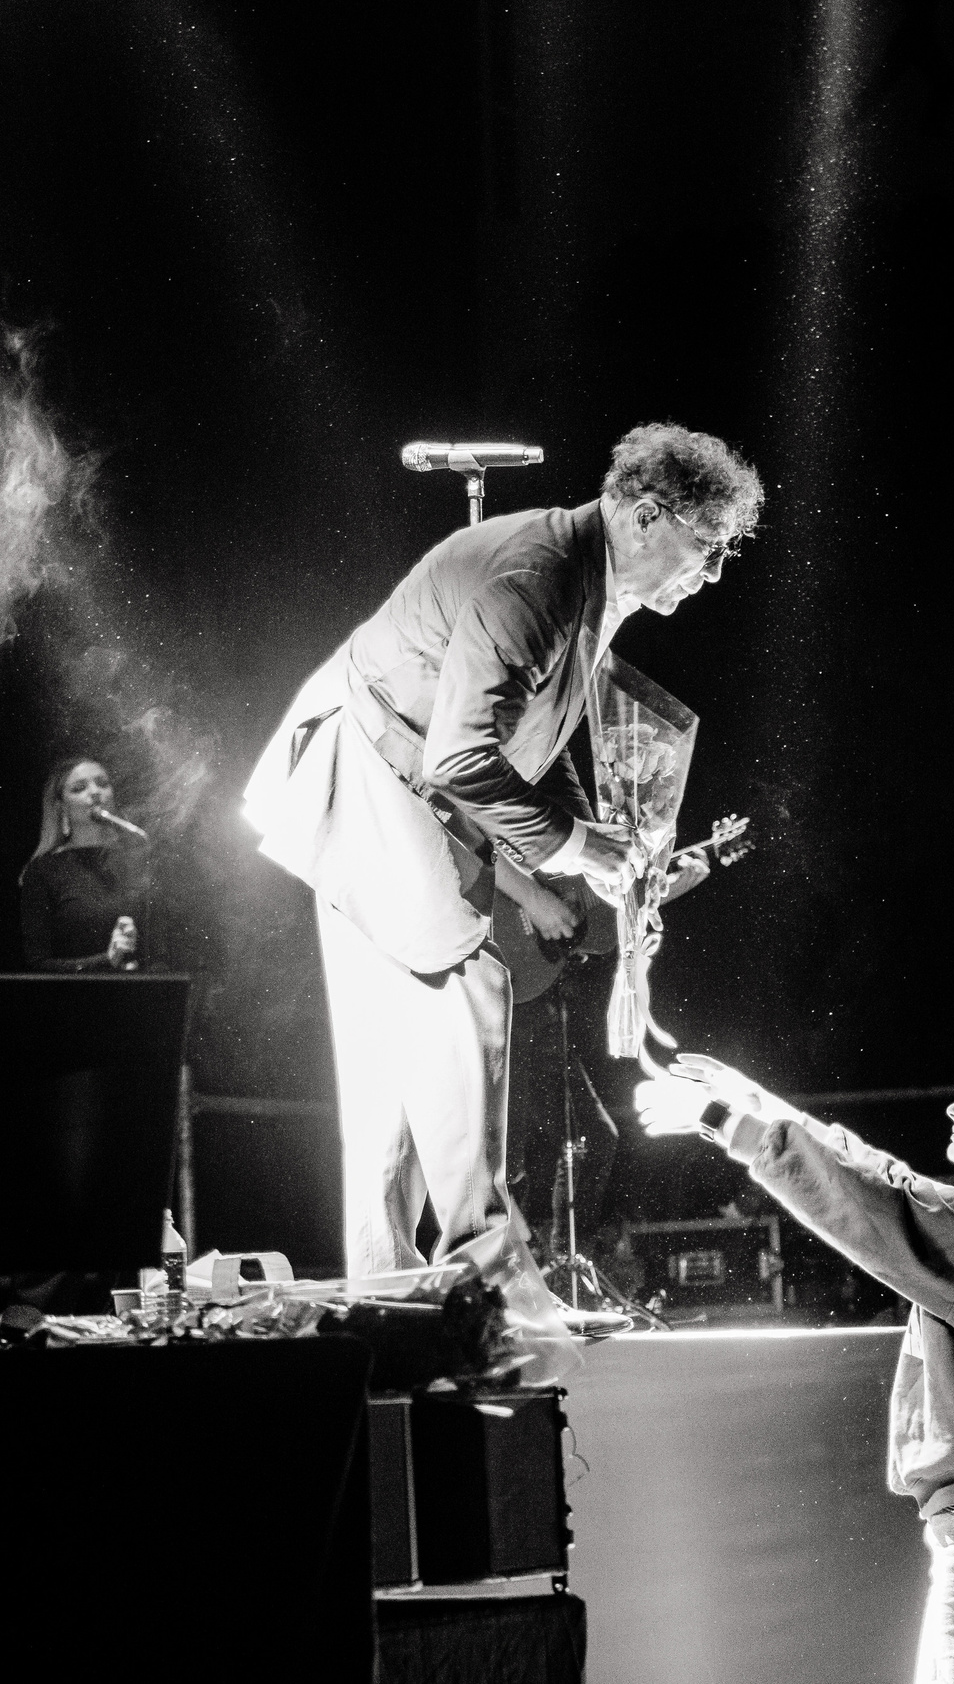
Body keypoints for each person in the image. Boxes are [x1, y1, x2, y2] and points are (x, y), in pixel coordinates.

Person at [243, 422, 762, 1283]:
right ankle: (485, 1279)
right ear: (643, 516)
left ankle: (394, 1289)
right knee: (466, 991)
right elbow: (458, 758)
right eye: (704, 548)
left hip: (392, 776)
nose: (709, 573)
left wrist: (588, 837)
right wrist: (573, 843)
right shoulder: (543, 576)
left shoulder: (590, 583)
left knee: (389, 1063)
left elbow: (535, 733)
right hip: (373, 769)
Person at [636, 1041, 954, 1684]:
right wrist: (757, 1102)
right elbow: (888, 1184)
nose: (953, 1107)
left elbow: (875, 1207)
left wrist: (727, 1122)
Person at [19, 757, 149, 971]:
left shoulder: (135, 857)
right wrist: (106, 960)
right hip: (77, 999)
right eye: (79, 788)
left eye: (102, 784)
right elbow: (37, 964)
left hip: (137, 996)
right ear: (61, 807)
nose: (95, 792)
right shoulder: (44, 870)